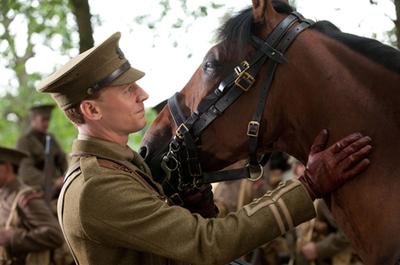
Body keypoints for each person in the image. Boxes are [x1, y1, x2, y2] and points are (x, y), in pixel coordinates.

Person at [36, 32, 372, 265]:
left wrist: (201, 208)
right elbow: (205, 245)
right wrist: (309, 186)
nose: (143, 95)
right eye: (127, 90)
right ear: (91, 111)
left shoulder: (123, 168)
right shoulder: (97, 186)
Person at [0, 146, 63, 265]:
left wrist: (12, 238)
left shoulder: (25, 198)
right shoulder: (3, 194)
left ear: (8, 167)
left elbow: (54, 235)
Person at [16, 104, 68, 197]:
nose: (46, 124)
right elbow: (26, 171)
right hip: (37, 190)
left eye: (48, 120)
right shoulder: (24, 141)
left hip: (58, 188)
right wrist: (53, 181)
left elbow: (62, 160)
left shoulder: (50, 138)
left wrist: (66, 177)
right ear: (34, 119)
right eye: (43, 120)